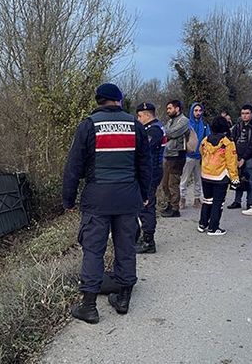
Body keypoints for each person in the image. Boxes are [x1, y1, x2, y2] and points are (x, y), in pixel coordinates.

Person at [62, 83, 151, 323]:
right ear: (119, 100)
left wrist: (68, 199)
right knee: (126, 248)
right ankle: (123, 300)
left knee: (93, 250)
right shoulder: (135, 125)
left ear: (99, 100)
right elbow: (145, 164)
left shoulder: (89, 125)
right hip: (128, 198)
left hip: (97, 199)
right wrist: (145, 193)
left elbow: (73, 166)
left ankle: (89, 307)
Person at [198, 116, 239, 235]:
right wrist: (234, 178)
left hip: (206, 174)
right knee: (218, 203)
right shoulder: (227, 143)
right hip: (220, 176)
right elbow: (231, 162)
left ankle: (202, 224)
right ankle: (213, 228)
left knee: (207, 200)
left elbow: (202, 153)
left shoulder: (205, 140)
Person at [134, 102, 166, 254]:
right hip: (150, 171)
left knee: (146, 205)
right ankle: (144, 236)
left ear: (147, 115)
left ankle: (148, 241)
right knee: (142, 206)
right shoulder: (151, 128)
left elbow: (143, 149)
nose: (138, 119)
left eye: (140, 116)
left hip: (152, 172)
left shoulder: (154, 130)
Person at [227, 104, 252, 210]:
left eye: (247, 113)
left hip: (249, 157)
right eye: (243, 114)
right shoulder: (238, 124)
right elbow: (232, 138)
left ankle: (250, 203)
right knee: (238, 178)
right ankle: (237, 201)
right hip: (237, 155)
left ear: (251, 113)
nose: (245, 116)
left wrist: (243, 159)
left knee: (250, 179)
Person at [161, 99, 190, 218]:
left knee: (173, 183)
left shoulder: (184, 121)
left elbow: (171, 133)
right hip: (168, 154)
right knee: (165, 183)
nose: (168, 111)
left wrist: (165, 132)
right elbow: (165, 132)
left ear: (177, 109)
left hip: (178, 155)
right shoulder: (171, 121)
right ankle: (169, 204)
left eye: (170, 108)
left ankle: (175, 208)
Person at [180, 102, 211, 209]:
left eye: (200, 110)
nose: (198, 113)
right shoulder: (187, 125)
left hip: (200, 157)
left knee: (198, 180)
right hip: (188, 156)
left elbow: (208, 139)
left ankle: (197, 199)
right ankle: (182, 199)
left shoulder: (205, 125)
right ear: (192, 111)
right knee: (184, 179)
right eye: (196, 110)